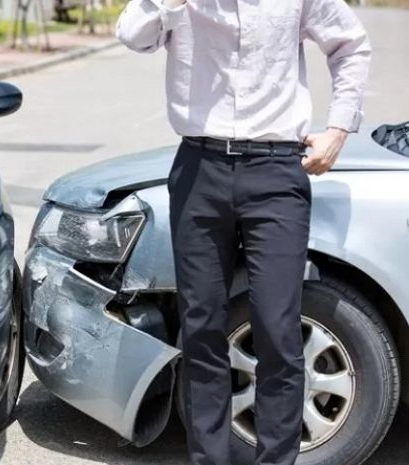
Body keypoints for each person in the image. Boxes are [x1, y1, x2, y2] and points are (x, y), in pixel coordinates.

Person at [116, 1, 370, 464]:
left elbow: (350, 45)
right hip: (199, 165)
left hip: (275, 171)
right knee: (201, 328)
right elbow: (133, 35)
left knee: (278, 328)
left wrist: (337, 128)